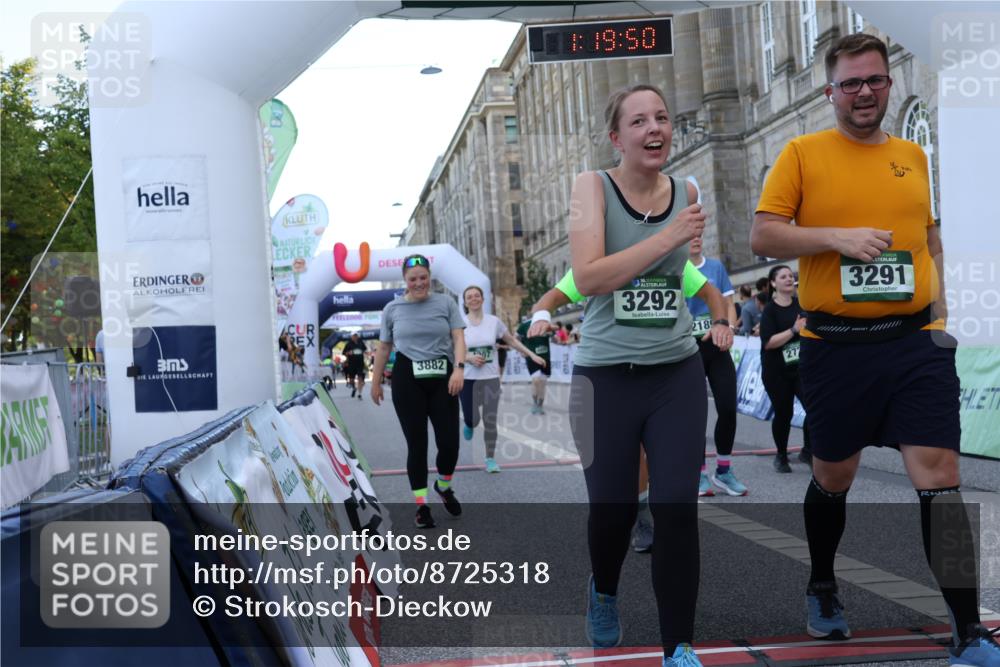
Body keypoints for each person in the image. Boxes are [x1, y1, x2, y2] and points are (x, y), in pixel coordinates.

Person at [752, 33, 998, 665]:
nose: (864, 93)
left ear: (889, 83)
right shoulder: (802, 153)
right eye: (851, 83)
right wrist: (838, 238)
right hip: (836, 348)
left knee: (940, 478)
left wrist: (941, 318)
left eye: (875, 80)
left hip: (915, 344)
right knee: (834, 477)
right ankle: (824, 582)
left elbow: (929, 239)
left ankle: (968, 629)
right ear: (830, 91)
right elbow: (763, 235)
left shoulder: (913, 155)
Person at [568, 84, 733, 666]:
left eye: (661, 117)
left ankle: (678, 648)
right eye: (638, 121)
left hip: (674, 372)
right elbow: (588, 278)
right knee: (611, 511)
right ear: (617, 137)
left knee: (675, 508)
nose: (654, 128)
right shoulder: (593, 187)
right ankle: (604, 590)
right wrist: (666, 236)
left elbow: (679, 273)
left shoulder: (686, 188)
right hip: (604, 377)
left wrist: (716, 303)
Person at [530, 260, 723, 556]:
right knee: (630, 468)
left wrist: (722, 323)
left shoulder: (674, 259)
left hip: (669, 375)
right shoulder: (597, 263)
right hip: (614, 376)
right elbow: (551, 297)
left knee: (672, 485)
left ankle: (669, 531)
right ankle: (641, 515)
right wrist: (541, 315)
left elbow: (712, 294)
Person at [370, 254, 466, 529]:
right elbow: (384, 347)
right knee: (417, 444)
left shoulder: (445, 303)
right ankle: (422, 506)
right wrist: (375, 382)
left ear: (429, 277)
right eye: (413, 279)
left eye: (423, 278)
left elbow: (458, 336)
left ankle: (444, 486)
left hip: (443, 378)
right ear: (405, 280)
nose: (419, 283)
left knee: (449, 443)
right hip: (407, 378)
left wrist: (459, 368)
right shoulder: (392, 308)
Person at [460, 286, 545, 473]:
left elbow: (512, 341)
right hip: (468, 379)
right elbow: (453, 350)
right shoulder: (460, 323)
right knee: (473, 419)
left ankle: (490, 459)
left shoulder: (494, 322)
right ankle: (469, 423)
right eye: (469, 297)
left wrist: (531, 355)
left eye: (477, 296)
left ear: (482, 299)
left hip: (490, 378)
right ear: (465, 302)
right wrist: (468, 357)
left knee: (490, 420)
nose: (473, 299)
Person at [686, 235, 745, 498]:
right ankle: (698, 474)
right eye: (690, 236)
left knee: (728, 408)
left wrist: (729, 328)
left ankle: (723, 471)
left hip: (717, 344)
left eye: (699, 236)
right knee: (695, 413)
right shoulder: (674, 268)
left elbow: (729, 304)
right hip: (689, 348)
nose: (695, 240)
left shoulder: (715, 268)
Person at [758, 265, 811, 472]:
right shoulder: (770, 310)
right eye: (783, 276)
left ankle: (808, 451)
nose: (789, 279)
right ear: (773, 283)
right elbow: (768, 342)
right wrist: (793, 330)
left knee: (813, 409)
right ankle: (781, 455)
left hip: (800, 369)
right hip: (776, 371)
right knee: (784, 413)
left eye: (791, 276)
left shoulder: (801, 305)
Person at [516, 317, 554, 415]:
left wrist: (552, 332)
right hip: (531, 357)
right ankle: (534, 403)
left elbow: (554, 336)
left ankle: (540, 405)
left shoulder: (547, 323)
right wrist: (521, 350)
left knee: (543, 382)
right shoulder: (525, 325)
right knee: (536, 379)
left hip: (545, 357)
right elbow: (515, 337)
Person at [343, 332, 367, 400]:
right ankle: (354, 388)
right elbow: (344, 352)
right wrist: (348, 353)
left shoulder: (361, 343)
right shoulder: (348, 344)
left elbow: (364, 350)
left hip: (360, 364)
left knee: (360, 378)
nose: (355, 337)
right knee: (351, 380)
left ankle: (359, 394)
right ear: (351, 337)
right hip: (351, 364)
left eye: (356, 335)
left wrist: (365, 353)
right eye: (354, 335)